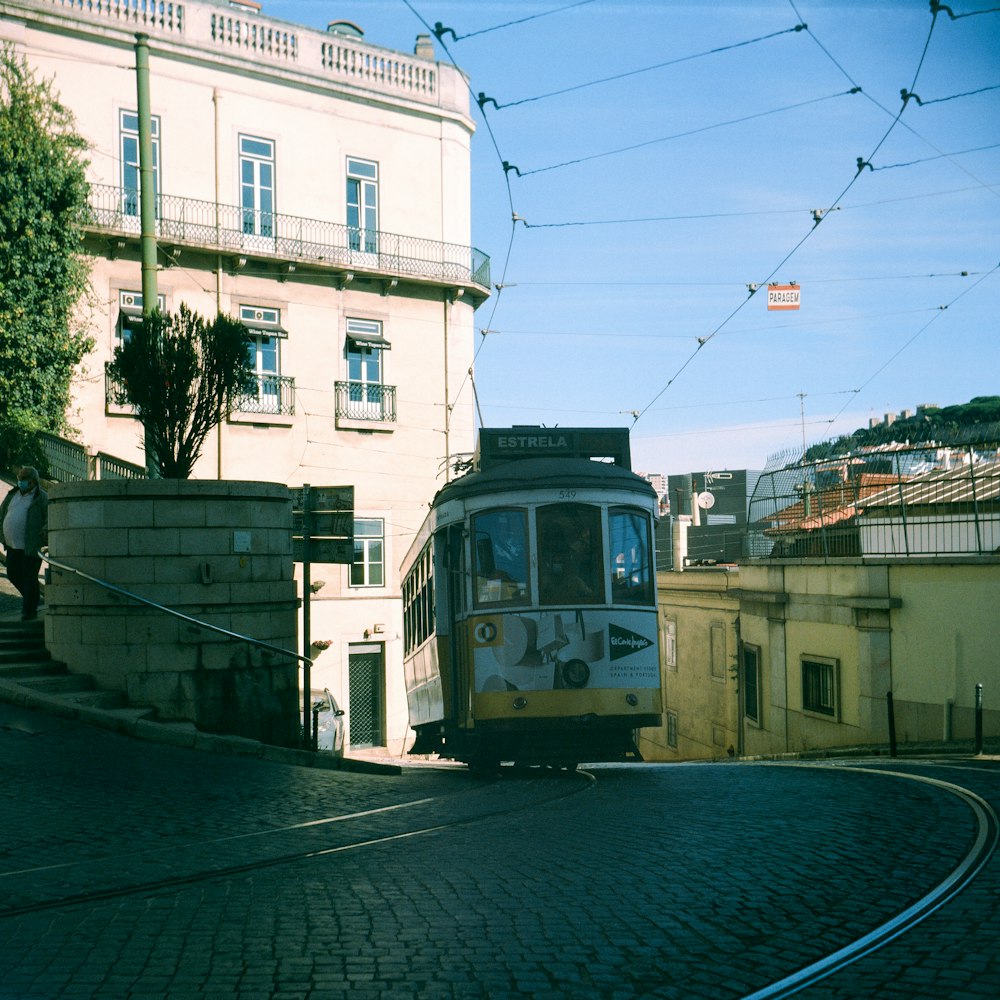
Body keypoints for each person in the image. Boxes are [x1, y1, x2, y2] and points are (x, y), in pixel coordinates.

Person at [1, 467, 48, 621]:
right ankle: (31, 599)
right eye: (19, 478)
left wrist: (44, 530)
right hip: (12, 545)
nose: (20, 482)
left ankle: (29, 610)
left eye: (23, 479)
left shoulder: (41, 498)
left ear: (33, 481)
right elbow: (2, 513)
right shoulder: (12, 494)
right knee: (13, 574)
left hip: (30, 546)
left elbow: (49, 517)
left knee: (30, 577)